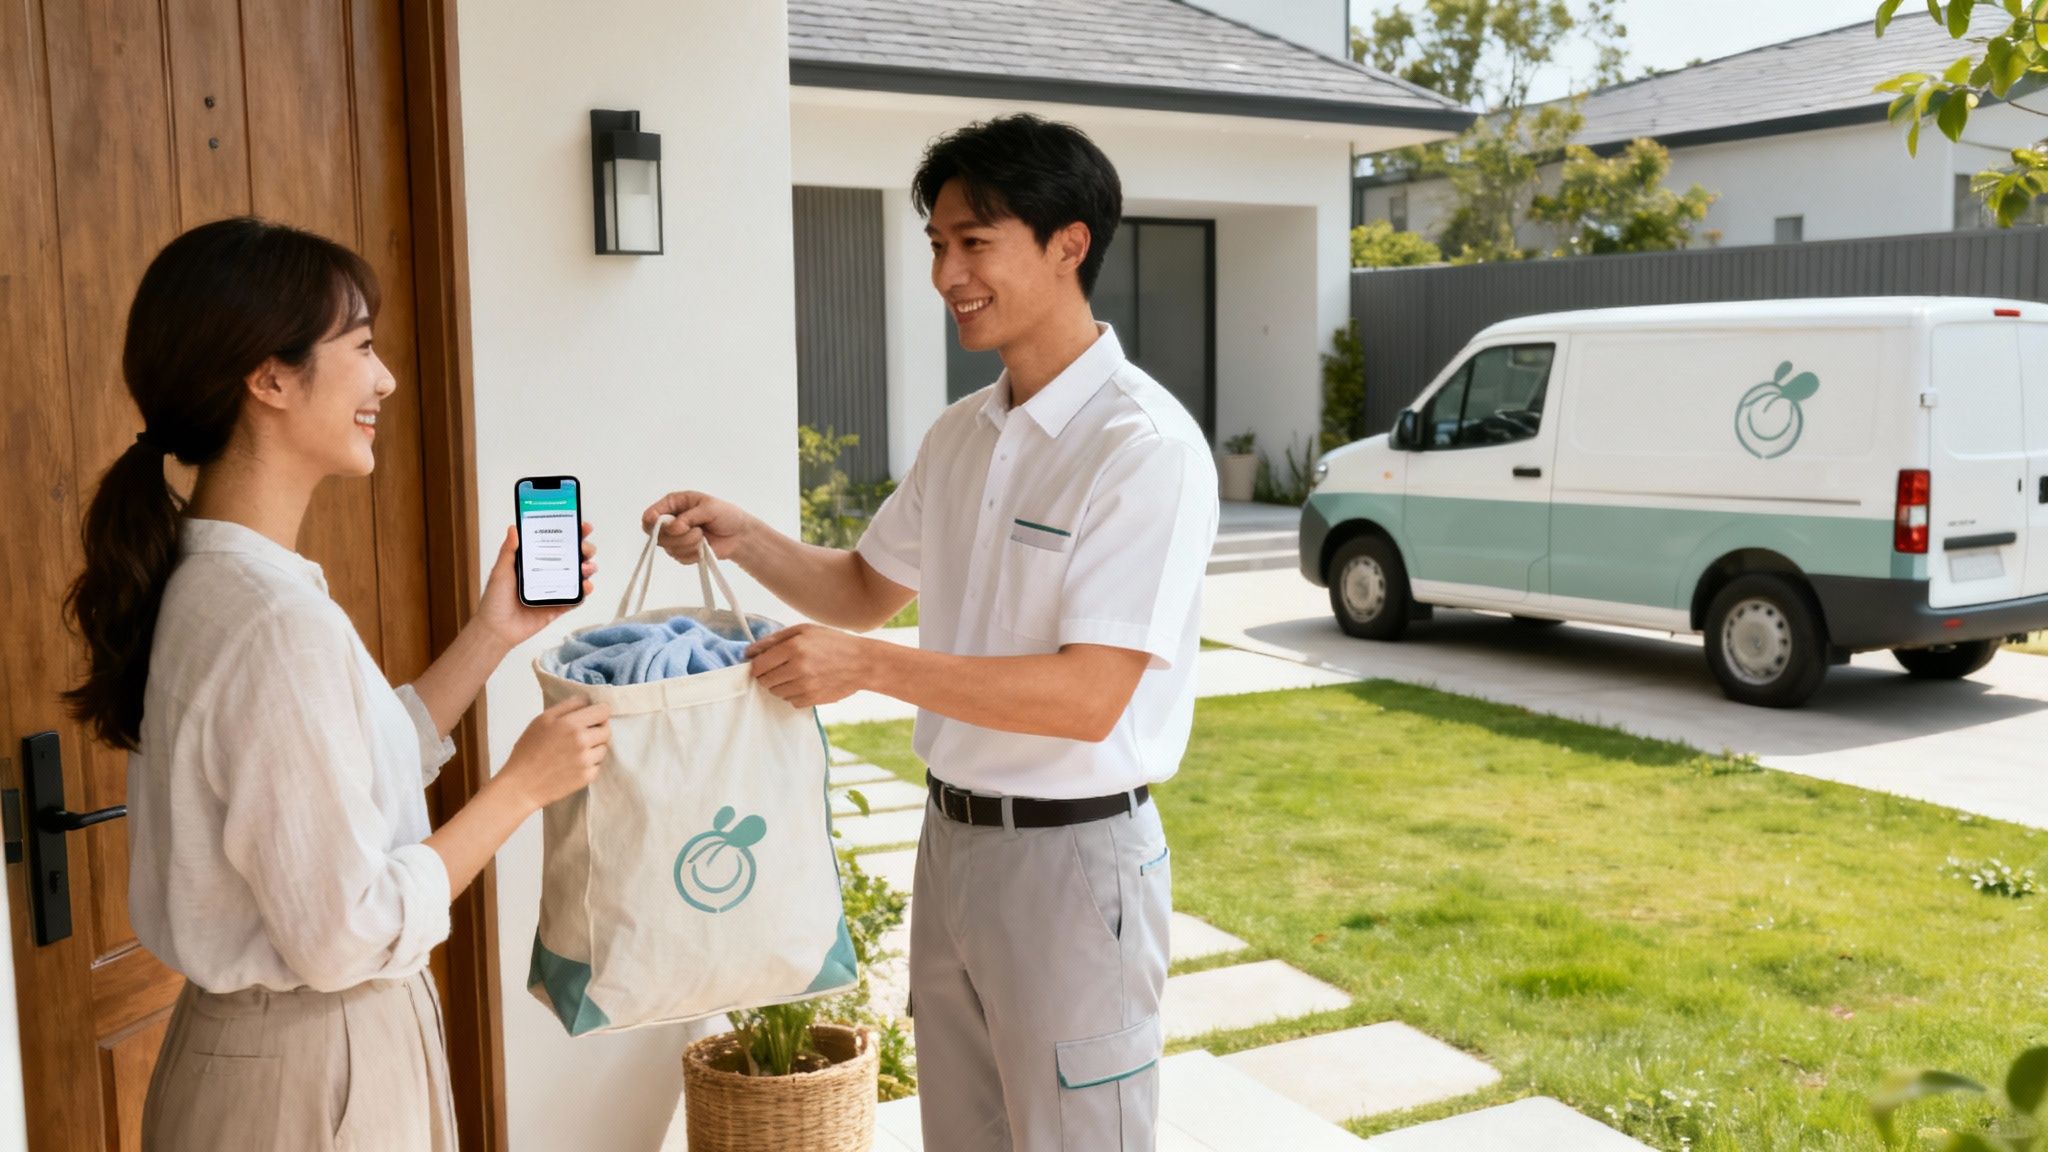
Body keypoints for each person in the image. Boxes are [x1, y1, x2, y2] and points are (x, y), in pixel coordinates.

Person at [643, 113, 1218, 1151]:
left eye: (973, 243)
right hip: (950, 844)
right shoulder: (963, 433)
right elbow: (864, 587)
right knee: (961, 1134)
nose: (947, 273)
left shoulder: (1141, 449)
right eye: (936, 246)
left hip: (1072, 862)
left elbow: (1087, 698)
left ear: (1067, 243)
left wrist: (864, 670)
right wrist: (745, 536)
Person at [64, 217, 611, 1151]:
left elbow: (352, 767)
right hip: (312, 1071)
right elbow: (346, 930)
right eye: (360, 346)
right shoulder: (273, 618)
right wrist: (522, 787)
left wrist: (492, 635)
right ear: (268, 377)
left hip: (276, 1063)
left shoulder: (223, 583)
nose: (385, 378)